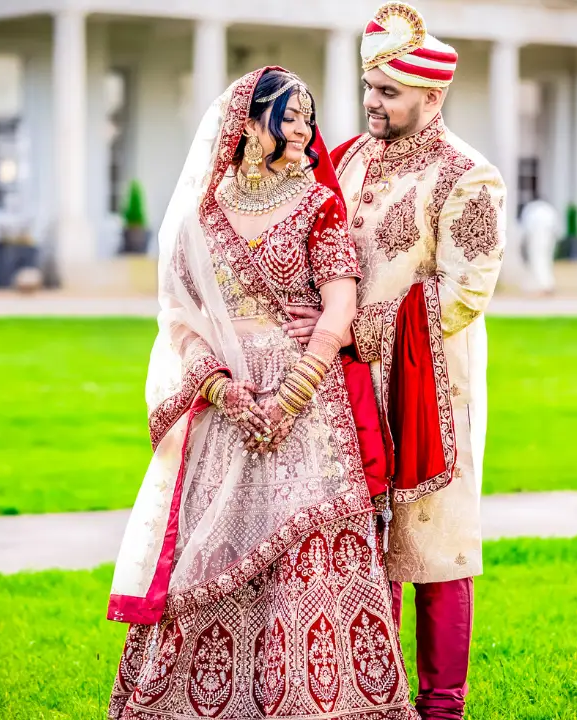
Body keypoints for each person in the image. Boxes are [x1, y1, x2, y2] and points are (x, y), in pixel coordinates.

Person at [105, 66, 415, 720]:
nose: (305, 128)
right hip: (229, 410)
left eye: (308, 115)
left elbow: (339, 307)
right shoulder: (202, 213)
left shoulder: (317, 201)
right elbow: (180, 317)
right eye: (290, 115)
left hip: (307, 407)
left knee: (306, 559)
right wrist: (220, 390)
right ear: (249, 124)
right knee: (212, 553)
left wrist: (291, 395)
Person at [283, 4, 508, 718]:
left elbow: (466, 291)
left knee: (433, 549)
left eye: (388, 92)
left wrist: (353, 328)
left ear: (431, 97)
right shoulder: (347, 159)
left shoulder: (469, 176)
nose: (371, 102)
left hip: (429, 394)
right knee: (359, 546)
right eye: (368, 88)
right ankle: (369, 698)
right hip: (344, 392)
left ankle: (442, 709)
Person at [520, 199, 558, 295]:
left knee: (537, 261)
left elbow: (527, 227)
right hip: (549, 236)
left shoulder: (531, 209)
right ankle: (547, 284)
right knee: (546, 260)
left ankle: (543, 286)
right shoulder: (548, 208)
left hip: (536, 237)